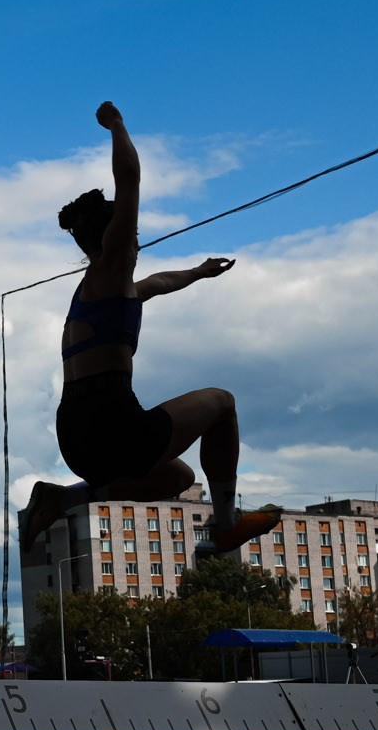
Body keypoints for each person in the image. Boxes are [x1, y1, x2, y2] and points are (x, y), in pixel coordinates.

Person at [16, 101, 280, 562]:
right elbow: (130, 182)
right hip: (111, 421)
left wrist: (198, 272)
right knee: (223, 403)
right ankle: (226, 526)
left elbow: (157, 284)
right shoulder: (110, 266)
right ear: (117, 237)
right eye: (131, 234)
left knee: (176, 478)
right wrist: (117, 127)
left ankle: (61, 499)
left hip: (77, 433)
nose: (137, 242)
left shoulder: (97, 294)